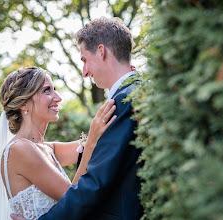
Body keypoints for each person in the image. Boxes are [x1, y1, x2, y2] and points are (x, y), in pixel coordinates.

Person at [12, 16, 143, 220]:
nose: (84, 72)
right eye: (47, 91)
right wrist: (90, 140)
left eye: (84, 60)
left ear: (101, 52)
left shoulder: (124, 100)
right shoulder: (134, 93)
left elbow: (93, 185)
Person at [0, 66, 117, 220]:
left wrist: (117, 78)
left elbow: (90, 143)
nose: (58, 97)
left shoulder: (47, 149)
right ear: (24, 103)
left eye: (54, 89)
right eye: (47, 91)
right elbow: (74, 200)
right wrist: (91, 142)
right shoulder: (20, 149)